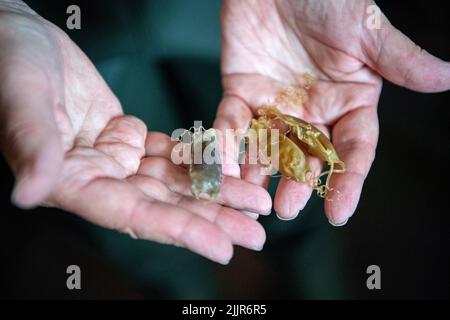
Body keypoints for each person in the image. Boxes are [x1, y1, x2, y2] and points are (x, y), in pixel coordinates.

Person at [1, 0, 449, 265]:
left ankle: (308, 256)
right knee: (130, 196)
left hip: (243, 23)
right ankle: (178, 282)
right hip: (78, 31)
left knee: (275, 182)